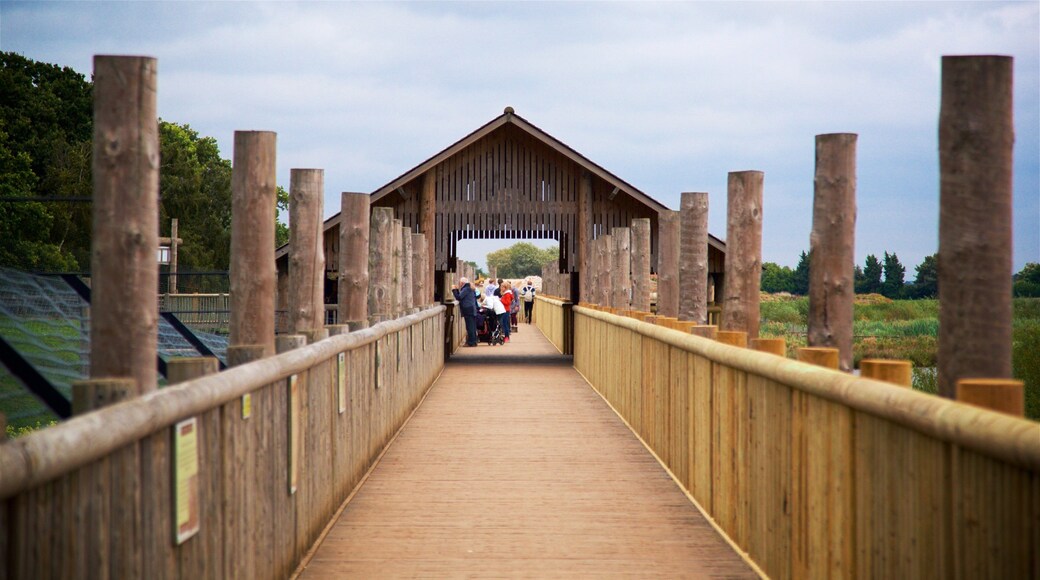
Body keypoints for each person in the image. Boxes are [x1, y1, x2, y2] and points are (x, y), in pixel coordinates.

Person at [452, 277, 479, 347]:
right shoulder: (470, 288)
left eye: (460, 283)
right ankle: (474, 341)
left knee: (469, 327)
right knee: (472, 326)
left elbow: (459, 297)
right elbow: (461, 296)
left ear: (462, 283)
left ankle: (471, 342)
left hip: (468, 309)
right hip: (472, 309)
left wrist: (454, 290)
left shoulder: (466, 289)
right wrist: (457, 290)